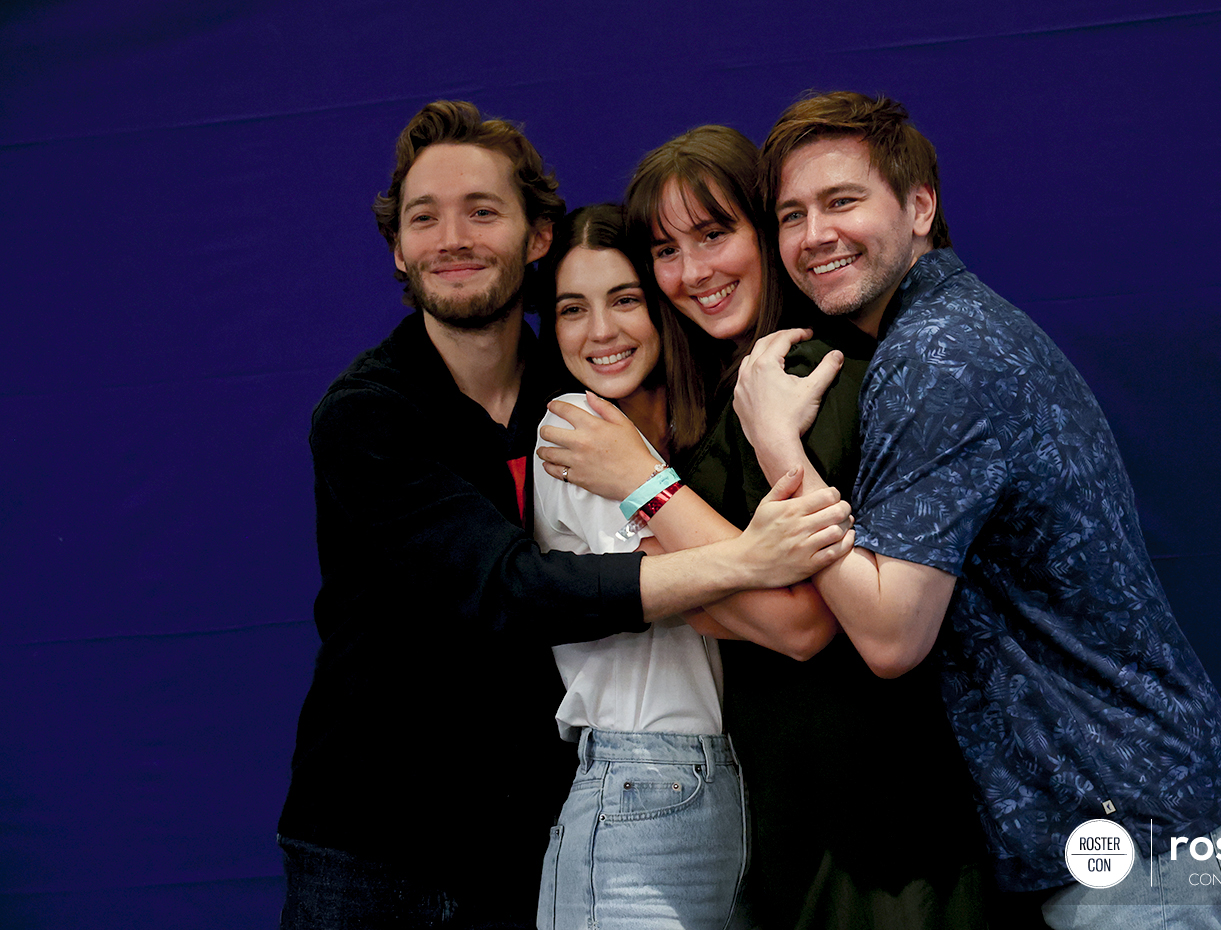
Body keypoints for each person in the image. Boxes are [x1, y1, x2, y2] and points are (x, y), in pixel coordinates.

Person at [276, 100, 853, 930]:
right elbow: (510, 589)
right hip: (374, 839)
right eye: (424, 218)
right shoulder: (369, 417)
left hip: (530, 823)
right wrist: (749, 562)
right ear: (398, 249)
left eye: (483, 212)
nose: (453, 239)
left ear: (536, 236)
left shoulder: (587, 394)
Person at [734, 91, 1221, 929]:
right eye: (792, 215)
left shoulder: (939, 352)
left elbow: (890, 635)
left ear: (919, 205)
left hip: (1132, 827)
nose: (813, 236)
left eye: (842, 202)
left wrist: (775, 447)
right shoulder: (954, 327)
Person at [538, 126, 990, 928]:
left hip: (879, 839)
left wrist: (650, 529)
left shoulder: (810, 377)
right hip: (788, 825)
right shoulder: (724, 398)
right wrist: (690, 576)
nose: (695, 273)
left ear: (767, 231)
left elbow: (801, 623)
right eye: (667, 252)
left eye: (716, 235)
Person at [529, 204, 749, 928]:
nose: (601, 332)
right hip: (638, 787)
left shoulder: (685, 434)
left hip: (724, 785)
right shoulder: (576, 428)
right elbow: (709, 598)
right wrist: (763, 553)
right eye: (571, 309)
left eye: (624, 300)